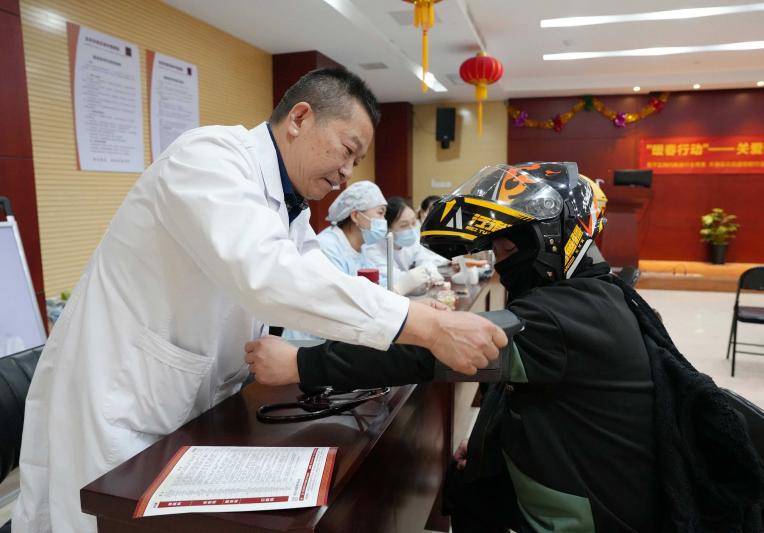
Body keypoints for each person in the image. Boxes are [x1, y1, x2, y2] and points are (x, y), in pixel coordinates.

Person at [13, 68, 506, 533]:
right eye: (347, 150)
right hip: (121, 399)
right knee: (104, 517)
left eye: (356, 162)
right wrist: (423, 326)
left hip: (190, 401)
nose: (347, 173)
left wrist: (410, 317)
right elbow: (268, 275)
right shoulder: (209, 158)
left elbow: (318, 278)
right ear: (300, 118)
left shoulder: (289, 208)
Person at [245, 162, 662, 531]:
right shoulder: (593, 295)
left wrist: (302, 363)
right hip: (580, 479)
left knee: (468, 492)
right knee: (467, 486)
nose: (499, 258)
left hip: (589, 514)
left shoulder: (561, 316)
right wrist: (487, 443)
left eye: (508, 246)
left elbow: (432, 349)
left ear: (554, 239)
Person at [362, 197, 448, 286]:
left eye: (413, 222)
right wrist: (420, 277)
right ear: (387, 228)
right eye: (404, 225)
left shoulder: (413, 240)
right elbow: (393, 278)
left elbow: (424, 260)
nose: (411, 229)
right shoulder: (373, 248)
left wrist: (433, 272)